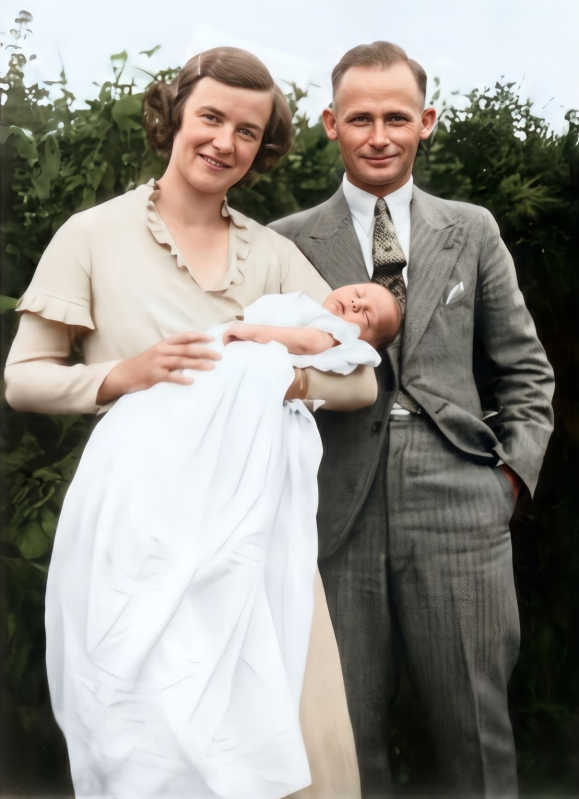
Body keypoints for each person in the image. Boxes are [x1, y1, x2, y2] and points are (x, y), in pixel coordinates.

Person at [4, 46, 379, 798]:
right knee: (155, 737)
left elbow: (360, 376)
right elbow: (23, 378)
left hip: (255, 530)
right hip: (140, 528)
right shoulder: (91, 234)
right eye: (210, 117)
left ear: (261, 147)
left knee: (301, 742)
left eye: (246, 131)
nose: (223, 142)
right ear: (174, 116)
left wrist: (277, 377)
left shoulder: (272, 254)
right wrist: (122, 374)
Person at [270, 41, 555, 799]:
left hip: (460, 503)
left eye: (396, 116)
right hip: (334, 510)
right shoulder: (289, 240)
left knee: (473, 729)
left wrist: (506, 479)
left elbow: (525, 369)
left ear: (426, 121)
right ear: (330, 123)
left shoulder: (471, 228)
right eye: (359, 117)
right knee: (340, 733)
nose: (378, 135)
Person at [44, 284, 399, 799]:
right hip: (176, 403)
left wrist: (255, 338)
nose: (356, 309)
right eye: (360, 295)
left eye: (369, 317)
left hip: (236, 386)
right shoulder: (303, 291)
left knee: (221, 601)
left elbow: (330, 356)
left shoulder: (322, 323)